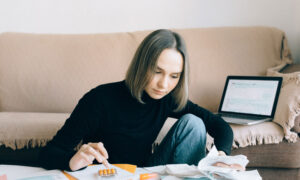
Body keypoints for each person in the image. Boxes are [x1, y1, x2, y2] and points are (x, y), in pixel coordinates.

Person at [38, 29, 234, 171]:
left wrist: (221, 157)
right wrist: (74, 160)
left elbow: (220, 126)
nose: (164, 85)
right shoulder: (99, 99)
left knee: (194, 123)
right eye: (157, 72)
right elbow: (49, 153)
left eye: (174, 76)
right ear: (142, 65)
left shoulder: (168, 98)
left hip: (145, 172)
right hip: (105, 174)